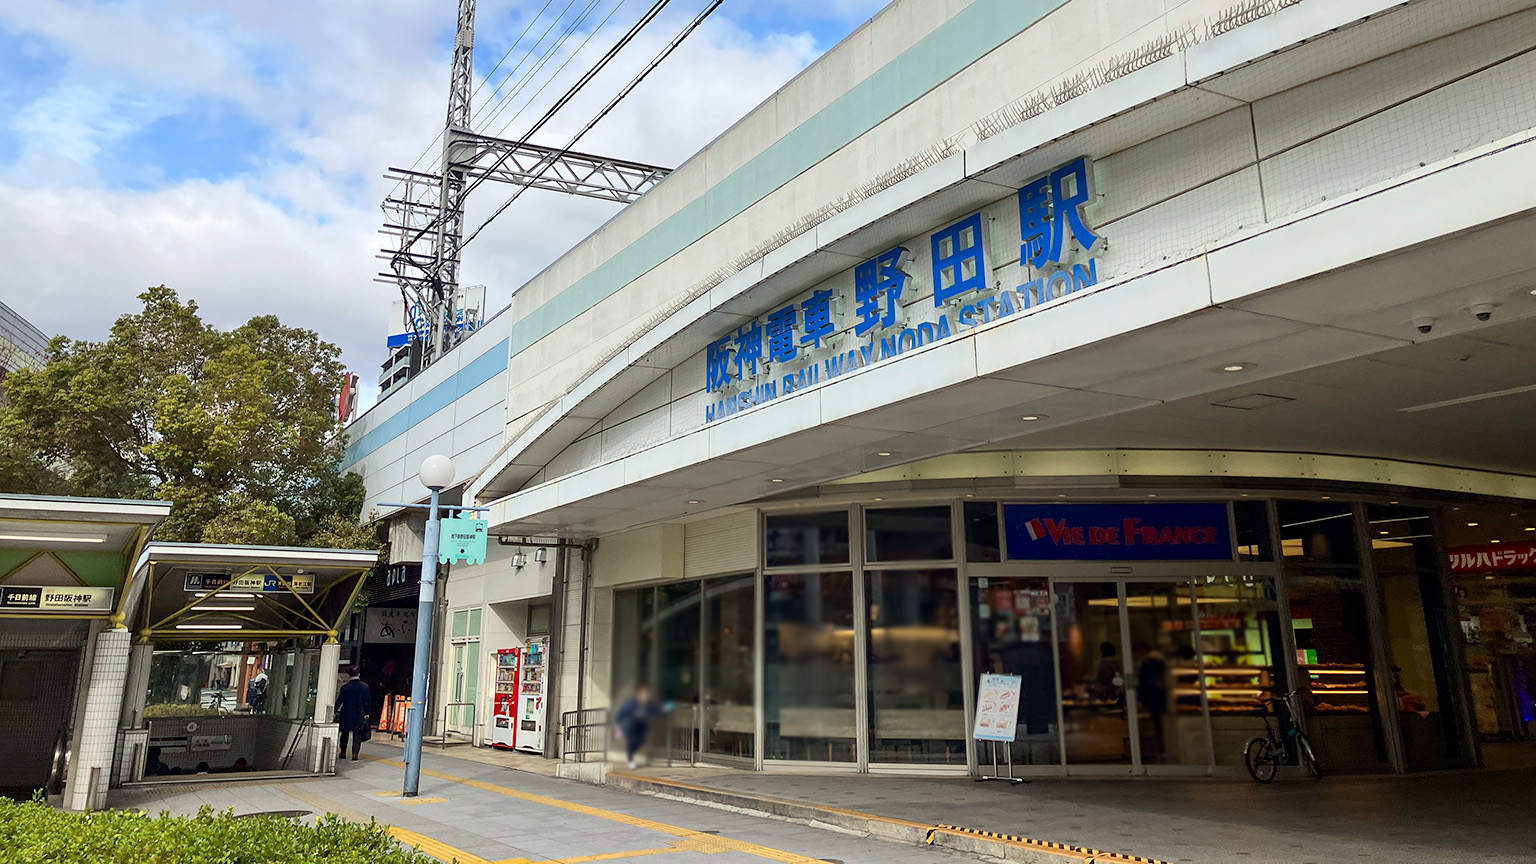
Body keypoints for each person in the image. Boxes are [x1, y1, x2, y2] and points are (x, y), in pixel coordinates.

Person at [613, 684, 668, 770]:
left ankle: (631, 754)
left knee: (641, 740)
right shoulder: (630, 702)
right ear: (638, 693)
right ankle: (630, 760)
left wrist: (665, 709)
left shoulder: (648, 704)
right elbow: (622, 713)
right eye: (643, 693)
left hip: (642, 725)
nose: (645, 695)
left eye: (646, 693)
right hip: (631, 725)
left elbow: (656, 711)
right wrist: (618, 724)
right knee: (632, 742)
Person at [335, 667, 372, 761]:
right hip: (359, 713)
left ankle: (343, 752)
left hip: (346, 713)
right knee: (357, 734)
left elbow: (340, 701)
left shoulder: (345, 688)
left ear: (349, 675)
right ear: (358, 674)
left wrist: (334, 711)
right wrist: (367, 712)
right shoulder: (364, 687)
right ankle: (355, 754)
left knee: (344, 734)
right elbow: (368, 701)